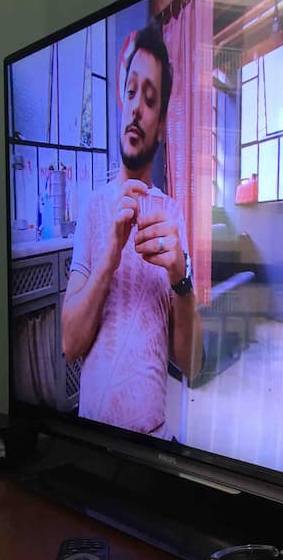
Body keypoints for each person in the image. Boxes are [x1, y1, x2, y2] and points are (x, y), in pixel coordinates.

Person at [62, 21, 203, 436]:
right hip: (91, 441)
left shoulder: (172, 217)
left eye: (150, 98)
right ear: (121, 106)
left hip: (152, 446)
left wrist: (181, 279)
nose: (137, 106)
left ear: (161, 124)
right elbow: (70, 345)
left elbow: (192, 364)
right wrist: (108, 258)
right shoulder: (92, 209)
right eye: (130, 92)